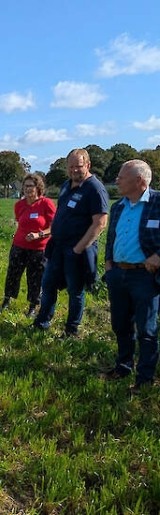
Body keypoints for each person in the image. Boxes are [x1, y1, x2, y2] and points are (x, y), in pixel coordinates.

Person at [32, 149, 108, 338]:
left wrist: (78, 249)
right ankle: (42, 323)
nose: (74, 170)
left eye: (78, 166)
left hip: (77, 249)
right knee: (48, 284)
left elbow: (100, 223)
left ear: (88, 165)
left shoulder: (94, 189)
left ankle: (71, 331)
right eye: (71, 166)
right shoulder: (67, 185)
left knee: (75, 291)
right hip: (57, 247)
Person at [100, 159, 160, 392]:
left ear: (139, 181)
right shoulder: (119, 206)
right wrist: (108, 264)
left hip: (145, 276)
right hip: (118, 274)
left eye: (121, 177)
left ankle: (144, 378)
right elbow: (112, 237)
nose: (117, 180)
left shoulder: (157, 202)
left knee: (146, 329)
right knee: (120, 324)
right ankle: (123, 366)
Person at [0, 174, 56, 317]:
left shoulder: (46, 204)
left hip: (39, 248)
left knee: (35, 278)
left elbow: (54, 227)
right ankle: (7, 301)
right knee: (13, 274)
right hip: (19, 245)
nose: (27, 189)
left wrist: (39, 234)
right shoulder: (19, 205)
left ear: (38, 188)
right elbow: (19, 221)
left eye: (31, 186)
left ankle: (32, 307)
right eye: (25, 186)